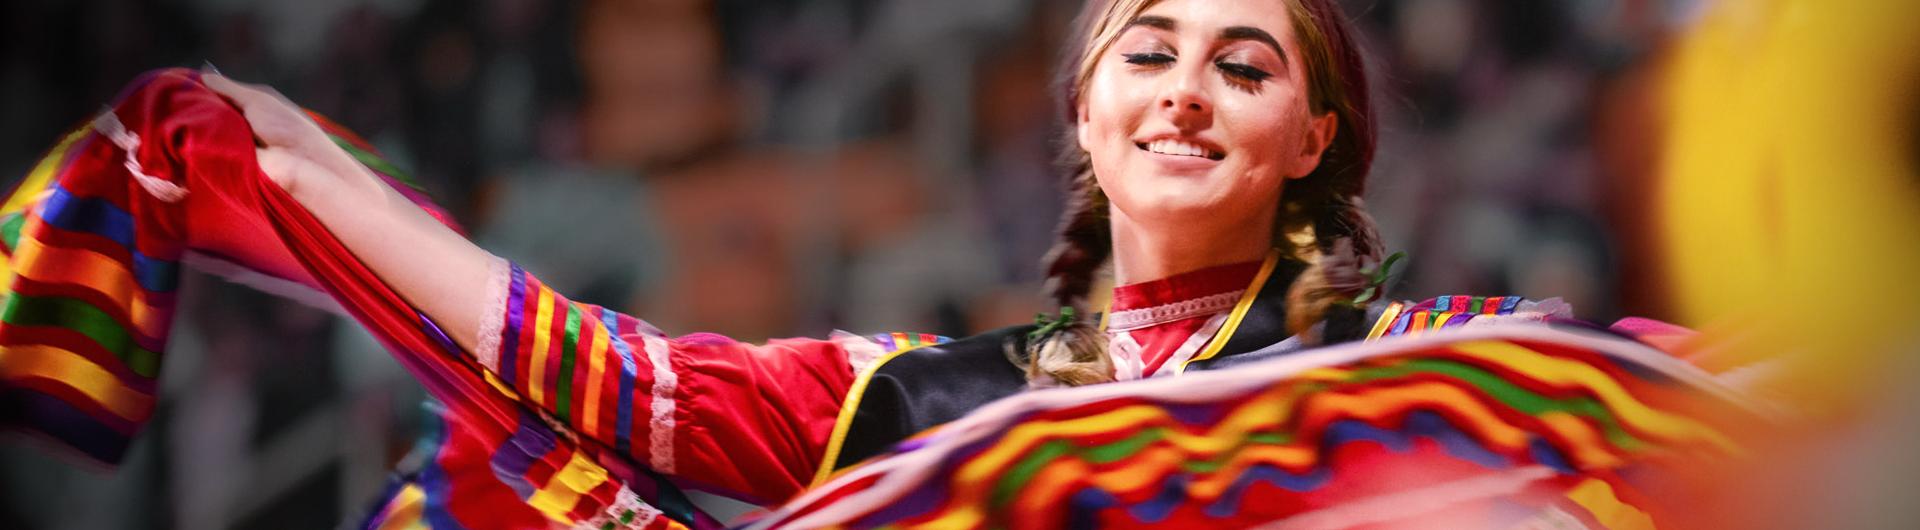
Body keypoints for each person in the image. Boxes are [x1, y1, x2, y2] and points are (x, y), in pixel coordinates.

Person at [1, 0, 1625, 527]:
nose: (1186, 88)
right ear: (1084, 110)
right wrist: (285, 162)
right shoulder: (914, 399)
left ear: (1315, 141)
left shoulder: (1431, 361)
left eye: (1248, 65)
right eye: (1146, 51)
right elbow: (593, 370)